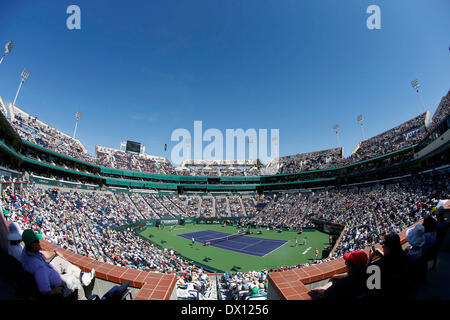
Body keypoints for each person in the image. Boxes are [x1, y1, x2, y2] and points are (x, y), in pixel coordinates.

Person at [20, 229, 95, 300]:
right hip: (53, 285)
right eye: (37, 241)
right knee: (74, 280)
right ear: (33, 245)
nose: (39, 243)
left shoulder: (28, 250)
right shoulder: (35, 265)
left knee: (58, 260)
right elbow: (43, 290)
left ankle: (82, 276)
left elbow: (44, 254)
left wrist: (55, 252)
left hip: (48, 271)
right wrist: (54, 291)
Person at [367, 233, 406, 298]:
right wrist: (381, 254)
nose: (382, 247)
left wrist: (370, 257)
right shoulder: (403, 254)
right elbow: (391, 259)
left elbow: (366, 273)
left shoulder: (379, 266)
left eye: (384, 245)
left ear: (389, 247)